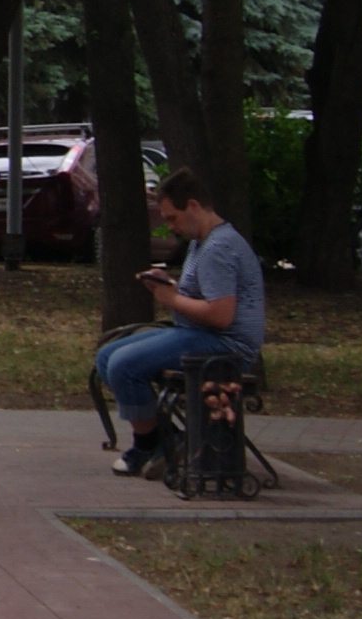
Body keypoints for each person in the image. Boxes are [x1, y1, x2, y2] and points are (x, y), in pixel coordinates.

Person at [96, 168, 267, 478]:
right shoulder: (205, 242)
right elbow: (206, 294)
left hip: (224, 346)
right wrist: (170, 286)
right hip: (200, 334)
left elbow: (221, 315)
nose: (171, 227)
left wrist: (170, 299)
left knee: (123, 364)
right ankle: (166, 440)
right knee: (107, 356)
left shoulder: (218, 247)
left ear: (193, 206)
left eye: (172, 218)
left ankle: (150, 443)